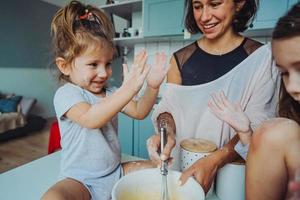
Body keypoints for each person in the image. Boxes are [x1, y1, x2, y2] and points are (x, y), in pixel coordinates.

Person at [146, 0, 280, 194]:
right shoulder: (179, 60)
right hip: (186, 173)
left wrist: (214, 161)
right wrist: (166, 132)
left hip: (235, 176)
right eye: (198, 6)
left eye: (215, 4)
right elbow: (167, 110)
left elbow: (258, 126)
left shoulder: (262, 59)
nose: (204, 16)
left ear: (240, 3)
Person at [41, 1, 168, 200]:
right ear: (64, 66)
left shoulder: (111, 92)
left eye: (108, 64)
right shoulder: (67, 94)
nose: (103, 73)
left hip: (115, 173)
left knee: (160, 172)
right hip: (80, 180)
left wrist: (152, 86)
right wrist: (127, 89)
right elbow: (91, 118)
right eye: (93, 64)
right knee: (53, 197)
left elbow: (140, 111)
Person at [209, 3, 300, 199]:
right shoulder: (286, 127)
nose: (292, 86)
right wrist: (245, 132)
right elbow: (269, 174)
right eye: (284, 72)